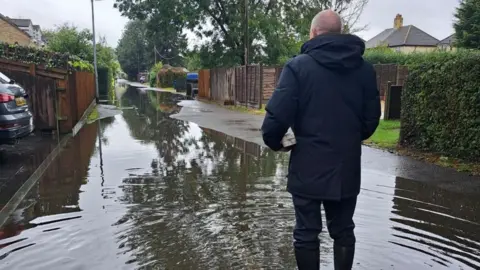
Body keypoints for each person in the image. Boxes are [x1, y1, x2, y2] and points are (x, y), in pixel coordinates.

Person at [261, 9, 381, 270]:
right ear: (340, 32)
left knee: (306, 231)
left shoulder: (298, 66)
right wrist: (347, 139)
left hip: (308, 165)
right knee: (344, 229)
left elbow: (276, 117)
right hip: (346, 166)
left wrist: (274, 141)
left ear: (313, 33)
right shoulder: (364, 70)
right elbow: (371, 120)